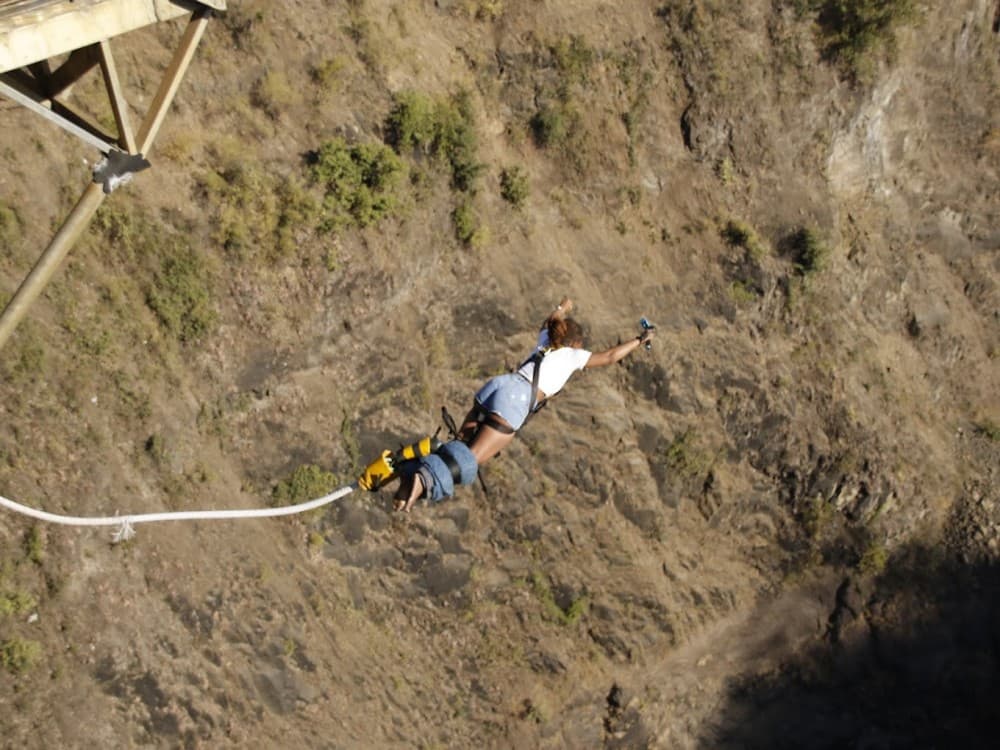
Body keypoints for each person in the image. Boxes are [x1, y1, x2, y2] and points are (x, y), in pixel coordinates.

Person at [391, 297, 655, 512]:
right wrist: (641, 339)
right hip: (516, 400)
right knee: (469, 460)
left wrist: (563, 307)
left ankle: (410, 473)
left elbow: (550, 321)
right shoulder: (574, 355)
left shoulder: (545, 342)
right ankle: (421, 479)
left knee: (459, 445)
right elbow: (610, 357)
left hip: (498, 385)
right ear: (576, 343)